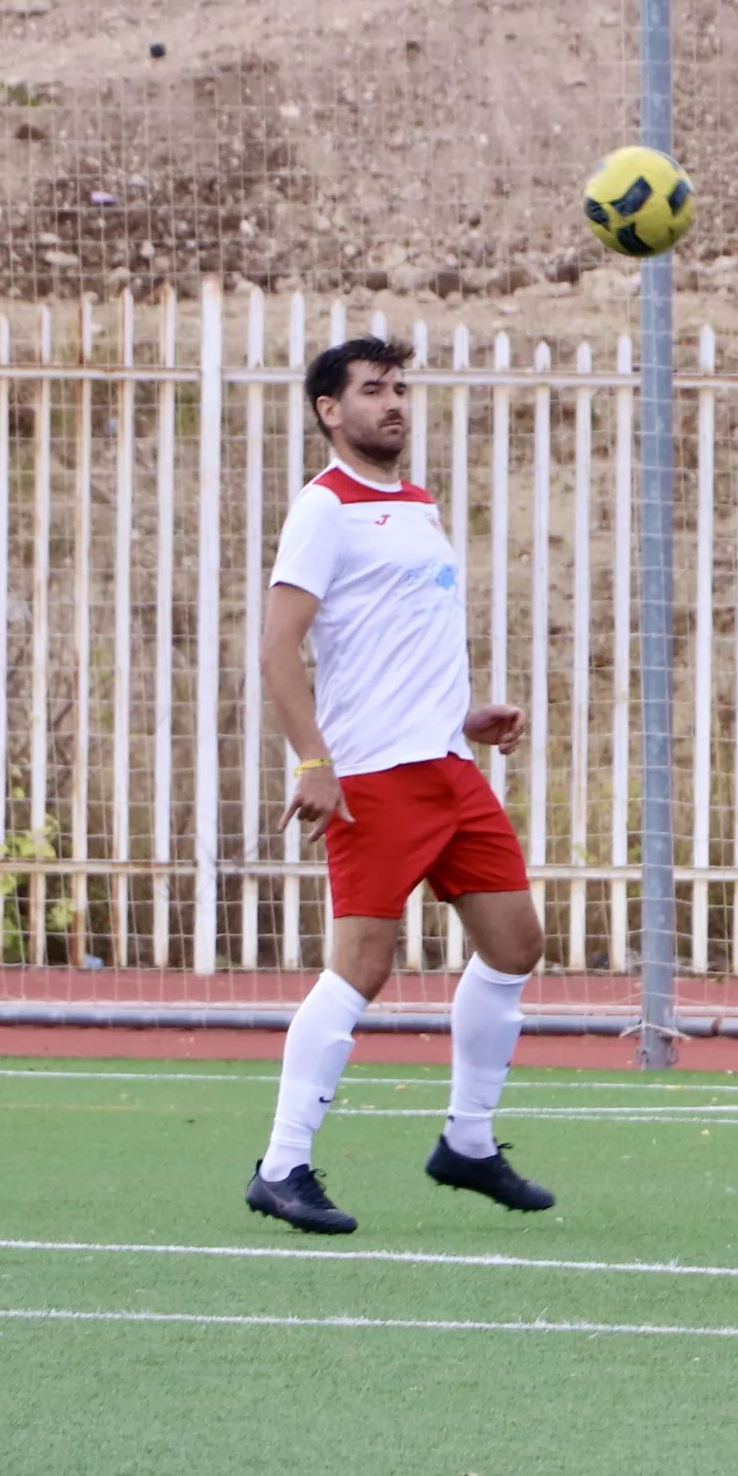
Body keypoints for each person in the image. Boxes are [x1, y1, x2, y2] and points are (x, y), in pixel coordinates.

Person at [245, 336, 551, 1235]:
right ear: (328, 411)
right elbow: (277, 647)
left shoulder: (418, 505)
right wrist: (312, 759)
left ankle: (467, 1140)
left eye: (399, 388)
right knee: (361, 968)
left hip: (449, 771)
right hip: (373, 781)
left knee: (516, 943)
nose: (393, 403)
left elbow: (393, 646)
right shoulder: (324, 508)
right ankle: (282, 1164)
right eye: (371, 391)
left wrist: (465, 717)